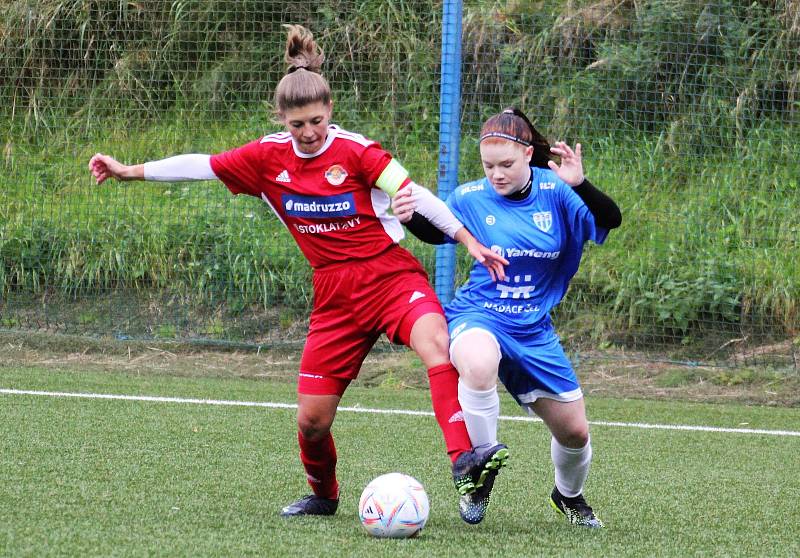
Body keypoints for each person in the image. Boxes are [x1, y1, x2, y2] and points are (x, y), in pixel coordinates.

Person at [88, 25, 511, 522]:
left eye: (316, 121)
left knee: (436, 344)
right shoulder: (266, 158)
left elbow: (410, 190)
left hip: (390, 276)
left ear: (329, 111)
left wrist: (468, 241)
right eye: (297, 125)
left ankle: (463, 459)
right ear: (282, 120)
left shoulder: (356, 151)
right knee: (311, 422)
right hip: (333, 293)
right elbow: (200, 164)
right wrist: (128, 170)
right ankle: (323, 496)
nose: (308, 132)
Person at [391, 107, 622, 527]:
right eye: (489, 165)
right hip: (479, 313)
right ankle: (478, 475)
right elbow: (437, 230)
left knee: (575, 433)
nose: (497, 174)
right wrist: (411, 218)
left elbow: (610, 221)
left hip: (533, 328)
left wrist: (581, 184)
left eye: (507, 165)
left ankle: (568, 497)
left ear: (528, 156)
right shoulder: (470, 197)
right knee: (478, 364)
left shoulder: (556, 190)